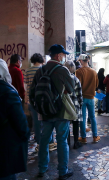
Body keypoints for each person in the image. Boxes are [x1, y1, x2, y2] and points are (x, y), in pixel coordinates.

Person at [29, 44, 75, 179]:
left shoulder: (40, 70)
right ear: (58, 55)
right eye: (63, 55)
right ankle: (62, 171)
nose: (64, 57)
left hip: (45, 112)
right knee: (62, 141)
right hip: (60, 111)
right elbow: (71, 89)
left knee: (44, 141)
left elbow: (32, 93)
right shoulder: (63, 70)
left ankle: (42, 169)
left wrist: (40, 107)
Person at [24, 53, 56, 152]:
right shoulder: (44, 70)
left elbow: (26, 86)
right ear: (42, 60)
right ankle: (50, 142)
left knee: (36, 123)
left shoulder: (28, 71)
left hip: (32, 100)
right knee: (47, 121)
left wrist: (26, 99)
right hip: (44, 99)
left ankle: (39, 143)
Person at [76, 54, 100, 144]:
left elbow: (77, 85)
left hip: (82, 98)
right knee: (93, 117)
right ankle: (95, 136)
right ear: (88, 61)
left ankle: (83, 137)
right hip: (91, 97)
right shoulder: (94, 72)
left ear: (81, 61)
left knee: (82, 118)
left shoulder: (78, 71)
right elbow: (97, 85)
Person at [64, 60, 83, 149]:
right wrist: (80, 103)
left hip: (65, 104)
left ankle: (67, 142)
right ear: (72, 68)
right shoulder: (76, 79)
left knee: (66, 124)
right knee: (76, 123)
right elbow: (79, 93)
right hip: (75, 104)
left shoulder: (62, 79)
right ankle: (76, 142)